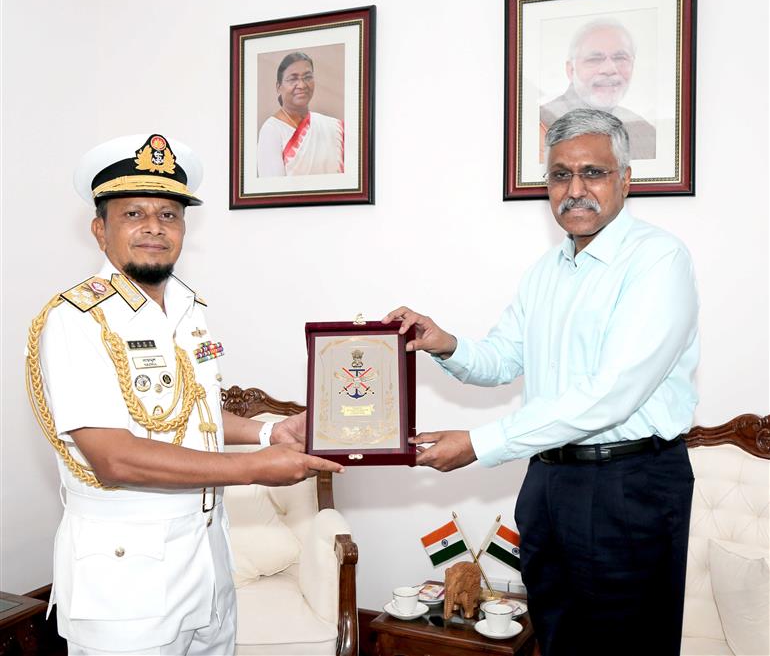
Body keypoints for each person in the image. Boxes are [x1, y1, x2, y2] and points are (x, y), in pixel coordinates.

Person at [384, 109, 698, 656]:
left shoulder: (657, 260)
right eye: (559, 175)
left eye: (592, 173)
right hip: (549, 485)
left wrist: (480, 445)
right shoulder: (547, 270)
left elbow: (611, 393)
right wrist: (445, 342)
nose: (575, 190)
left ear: (625, 179)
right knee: (556, 639)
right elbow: (504, 358)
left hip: (629, 485)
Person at [26, 133, 344, 655]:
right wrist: (255, 467)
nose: (154, 226)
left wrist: (269, 430)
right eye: (133, 214)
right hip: (126, 578)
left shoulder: (186, 307)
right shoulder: (75, 321)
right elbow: (115, 458)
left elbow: (187, 411)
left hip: (208, 557)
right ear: (99, 229)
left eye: (169, 214)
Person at [540, 19, 656, 160]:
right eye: (594, 59)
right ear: (571, 70)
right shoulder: (539, 126)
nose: (609, 69)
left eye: (620, 58)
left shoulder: (646, 134)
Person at [257, 52, 344, 177]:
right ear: (278, 87)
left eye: (308, 77)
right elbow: (273, 190)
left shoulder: (332, 127)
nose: (302, 85)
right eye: (293, 79)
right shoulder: (272, 130)